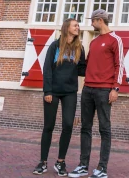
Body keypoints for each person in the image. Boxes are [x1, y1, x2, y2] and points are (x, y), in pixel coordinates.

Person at [69, 9, 124, 178]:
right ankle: (83, 165)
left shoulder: (116, 40)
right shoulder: (93, 42)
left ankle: (102, 168)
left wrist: (115, 88)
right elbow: (86, 66)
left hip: (104, 90)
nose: (91, 24)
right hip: (87, 89)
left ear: (100, 20)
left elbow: (119, 65)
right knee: (85, 128)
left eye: (92, 21)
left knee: (104, 129)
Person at [33, 18, 86, 176]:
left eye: (78, 25)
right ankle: (42, 162)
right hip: (53, 91)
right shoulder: (55, 46)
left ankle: (60, 162)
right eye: (75, 25)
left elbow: (82, 70)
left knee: (68, 125)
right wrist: (47, 91)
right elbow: (47, 69)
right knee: (48, 126)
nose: (78, 27)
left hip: (70, 92)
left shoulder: (79, 48)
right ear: (67, 28)